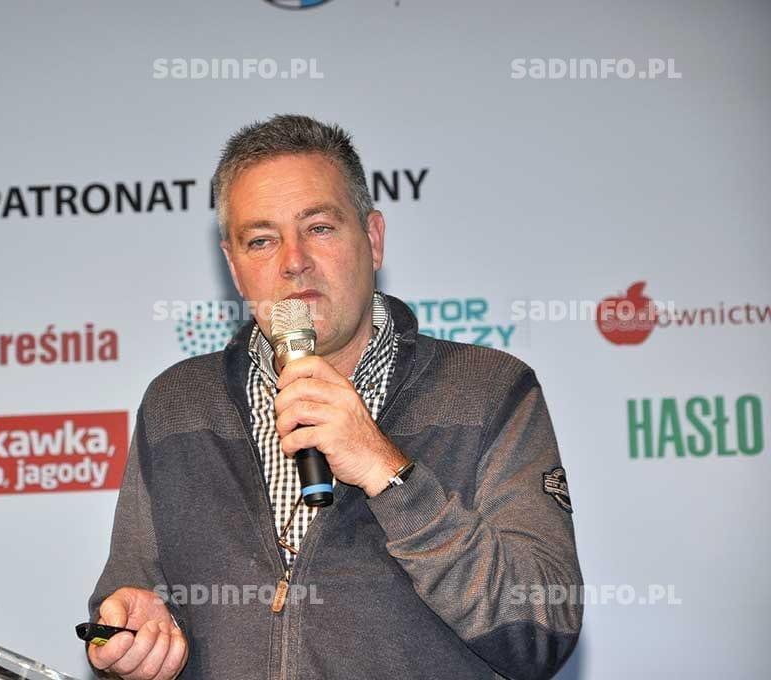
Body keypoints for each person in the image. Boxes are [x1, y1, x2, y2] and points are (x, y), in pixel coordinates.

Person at [87, 114, 583, 680]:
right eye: (261, 240)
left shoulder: (486, 390)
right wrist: (132, 638)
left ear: (373, 239)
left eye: (319, 228)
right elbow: (127, 599)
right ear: (234, 267)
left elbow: (543, 629)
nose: (293, 261)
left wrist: (387, 470)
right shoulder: (177, 404)